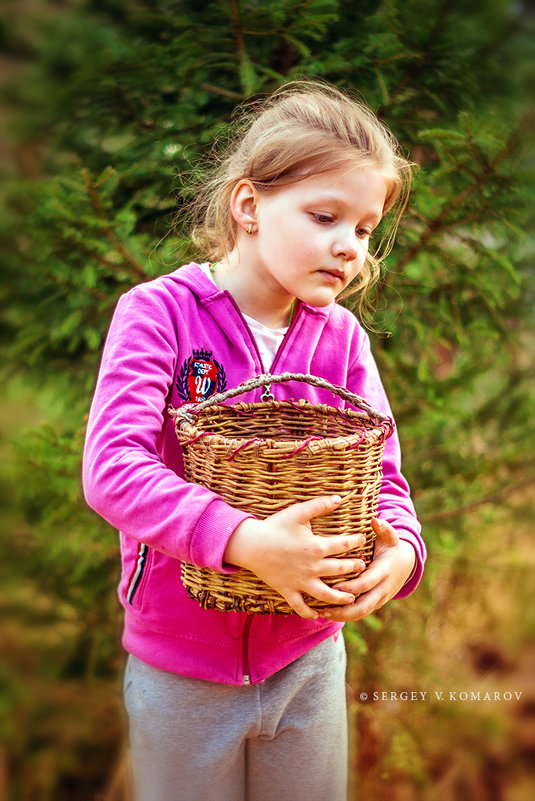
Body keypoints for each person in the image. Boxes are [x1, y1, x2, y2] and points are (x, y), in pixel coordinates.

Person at [83, 80, 426, 801]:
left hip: (307, 660)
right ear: (247, 207)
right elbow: (113, 469)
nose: (348, 246)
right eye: (324, 215)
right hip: (181, 671)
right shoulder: (160, 315)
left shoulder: (340, 340)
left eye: (363, 229)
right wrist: (244, 541)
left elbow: (385, 478)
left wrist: (401, 549)